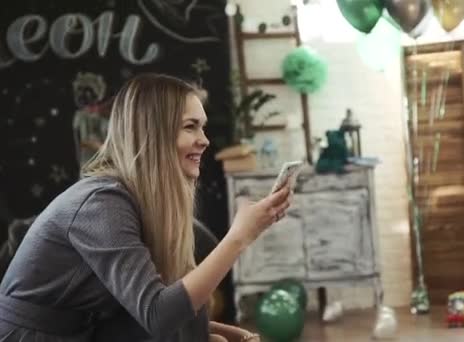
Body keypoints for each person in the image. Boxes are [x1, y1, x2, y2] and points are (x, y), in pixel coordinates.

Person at [0, 73, 292, 341]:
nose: (204, 140)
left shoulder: (139, 201)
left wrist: (228, 333)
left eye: (202, 127)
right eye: (191, 127)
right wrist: (240, 236)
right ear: (154, 133)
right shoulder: (102, 204)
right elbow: (158, 314)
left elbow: (162, 307)